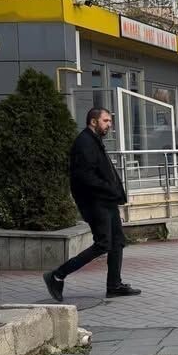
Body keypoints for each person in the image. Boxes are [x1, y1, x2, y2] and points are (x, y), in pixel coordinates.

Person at [44, 108, 139, 302]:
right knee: (103, 244)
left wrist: (115, 192)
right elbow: (84, 177)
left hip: (106, 201)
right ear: (93, 122)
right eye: (106, 121)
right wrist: (109, 189)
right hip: (96, 202)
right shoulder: (85, 142)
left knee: (117, 242)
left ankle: (114, 285)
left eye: (110, 121)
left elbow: (103, 171)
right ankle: (57, 275)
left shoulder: (95, 141)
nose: (109, 125)